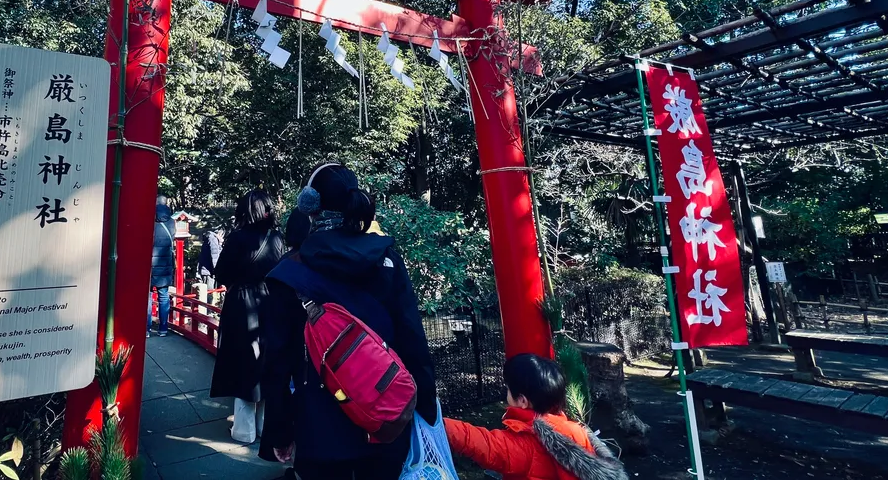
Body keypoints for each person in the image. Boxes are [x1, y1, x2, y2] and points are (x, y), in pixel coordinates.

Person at [260, 162, 437, 480]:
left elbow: (275, 363)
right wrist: (424, 407)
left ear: (309, 206)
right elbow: (412, 338)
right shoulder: (388, 260)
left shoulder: (288, 274)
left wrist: (279, 430)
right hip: (387, 418)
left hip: (318, 427)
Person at [444, 354, 628, 480]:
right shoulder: (575, 430)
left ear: (522, 401)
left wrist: (438, 422)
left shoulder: (527, 443)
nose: (506, 393)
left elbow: (479, 441)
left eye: (508, 389)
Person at [210, 190, 285, 444]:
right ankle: (263, 426)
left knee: (243, 363)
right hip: (270, 302)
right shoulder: (277, 238)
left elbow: (220, 273)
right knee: (265, 363)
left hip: (242, 303)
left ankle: (244, 430)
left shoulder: (238, 239)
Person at [149, 197, 177, 337]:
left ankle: (146, 328)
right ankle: (163, 329)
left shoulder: (149, 219)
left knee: (147, 297)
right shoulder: (172, 222)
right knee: (163, 296)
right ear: (166, 204)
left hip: (149, 264)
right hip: (165, 262)